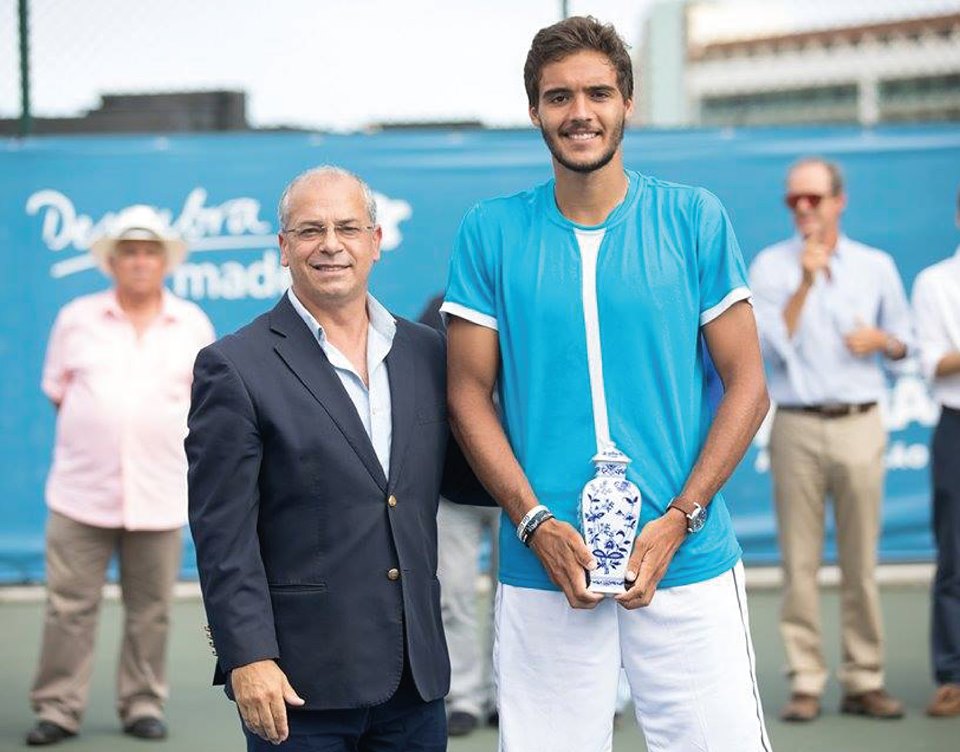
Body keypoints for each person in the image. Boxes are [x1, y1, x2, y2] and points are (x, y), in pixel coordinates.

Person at [442, 16, 772, 752]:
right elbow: (467, 395)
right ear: (534, 111)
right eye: (558, 97)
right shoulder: (490, 230)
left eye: (597, 93)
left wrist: (682, 516)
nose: (580, 112)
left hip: (684, 559)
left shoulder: (692, 217)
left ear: (627, 101)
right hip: (547, 568)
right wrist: (534, 522)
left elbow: (748, 383)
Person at [187, 166, 485, 751]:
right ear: (283, 247)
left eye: (347, 228)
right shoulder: (234, 366)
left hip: (416, 681)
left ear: (375, 241)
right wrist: (247, 656)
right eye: (310, 230)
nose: (330, 244)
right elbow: (223, 535)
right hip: (300, 686)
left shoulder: (426, 351)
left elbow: (459, 479)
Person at [26, 205, 214, 746]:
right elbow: (59, 391)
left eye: (149, 252)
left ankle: (142, 703)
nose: (139, 261)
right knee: (68, 609)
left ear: (164, 262)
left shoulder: (192, 323)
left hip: (159, 493)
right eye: (129, 252)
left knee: (151, 611)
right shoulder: (76, 319)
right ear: (112, 262)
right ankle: (58, 708)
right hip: (80, 494)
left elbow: (205, 402)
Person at [749, 157, 913, 722]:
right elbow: (768, 348)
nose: (803, 208)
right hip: (796, 424)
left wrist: (883, 341)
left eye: (813, 198)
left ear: (839, 201)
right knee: (798, 562)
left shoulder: (875, 265)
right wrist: (805, 281)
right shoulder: (771, 266)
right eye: (793, 199)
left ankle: (864, 678)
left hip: (860, 421)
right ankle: (806, 679)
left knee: (860, 561)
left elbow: (906, 343)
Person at [418, 294, 499, 737]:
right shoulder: (437, 312)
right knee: (453, 597)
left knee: (517, 600)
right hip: (452, 488)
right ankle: (464, 696)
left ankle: (503, 693)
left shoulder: (524, 302)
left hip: (519, 492)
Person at [911, 192, 960, 718]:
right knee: (956, 552)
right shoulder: (936, 283)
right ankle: (953, 674)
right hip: (957, 425)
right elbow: (934, 362)